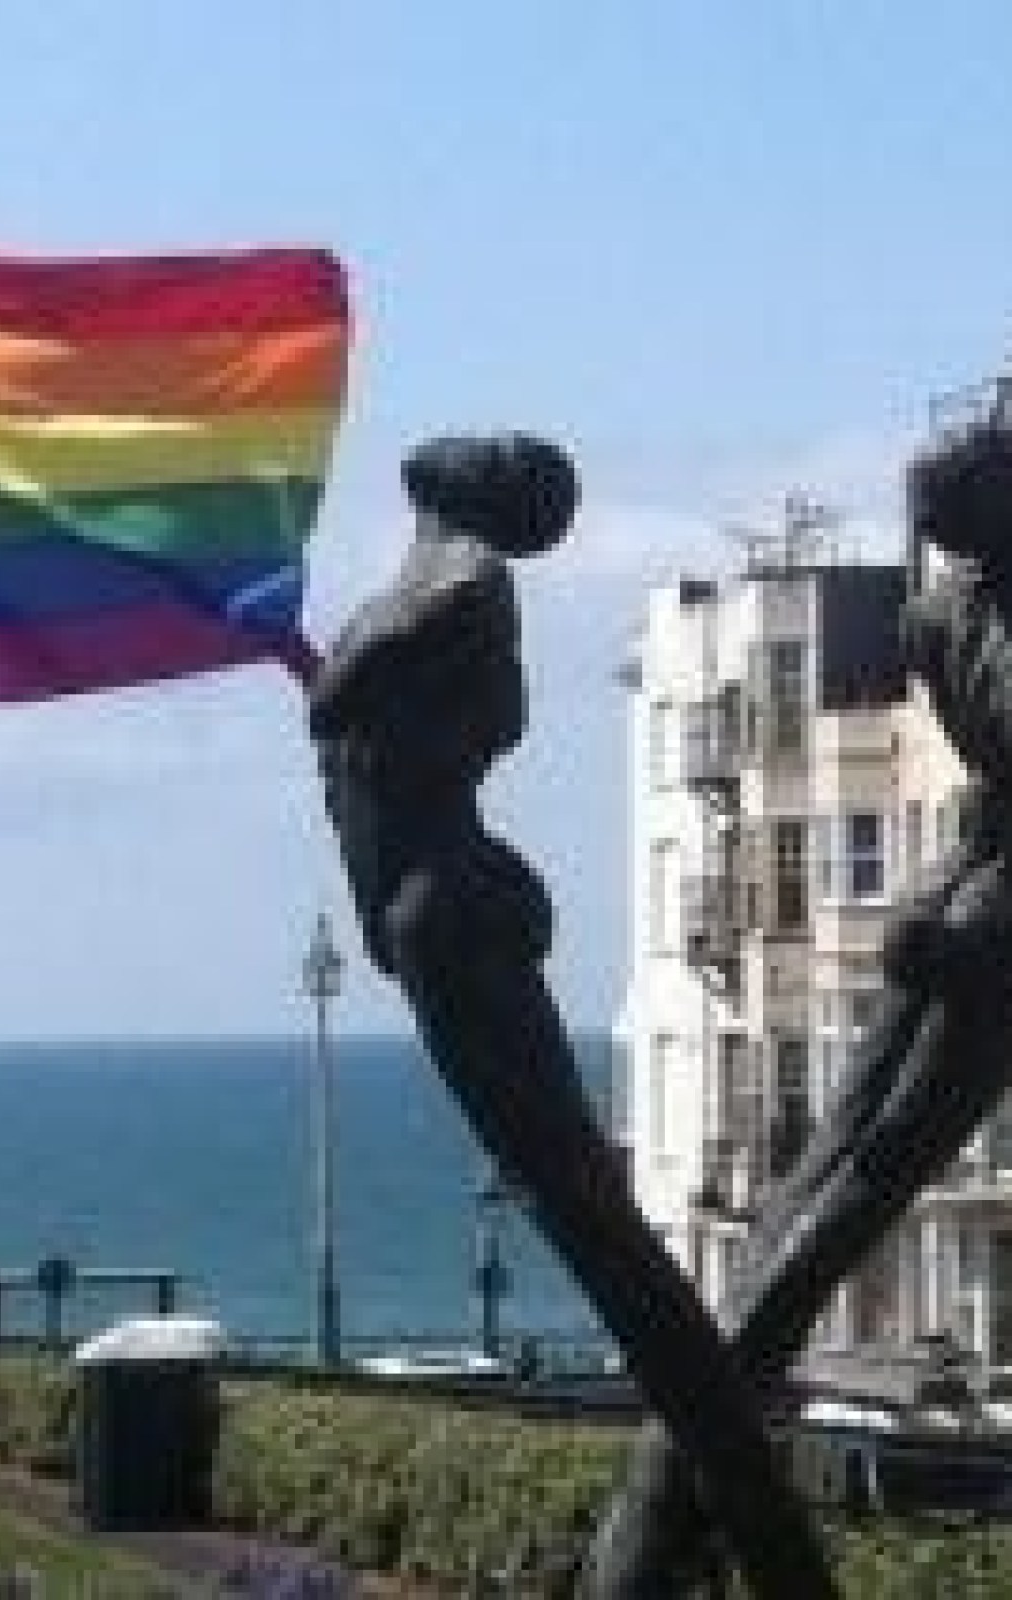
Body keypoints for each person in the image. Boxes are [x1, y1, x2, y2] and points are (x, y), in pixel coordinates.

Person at [309, 433, 836, 1599]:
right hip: (437, 903)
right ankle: (753, 1526)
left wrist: (348, 677)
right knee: (584, 1208)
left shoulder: (456, 579)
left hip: (445, 898)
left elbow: (353, 695)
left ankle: (747, 1524)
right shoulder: (447, 585)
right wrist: (351, 680)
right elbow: (357, 699)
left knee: (588, 1209)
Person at [590, 394, 1012, 1597]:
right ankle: (671, 1493)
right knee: (824, 1177)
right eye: (942, 519)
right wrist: (944, 888)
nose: (952, 534)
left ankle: (664, 1504)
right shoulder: (940, 621)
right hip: (967, 899)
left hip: (992, 924)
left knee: (863, 1180)